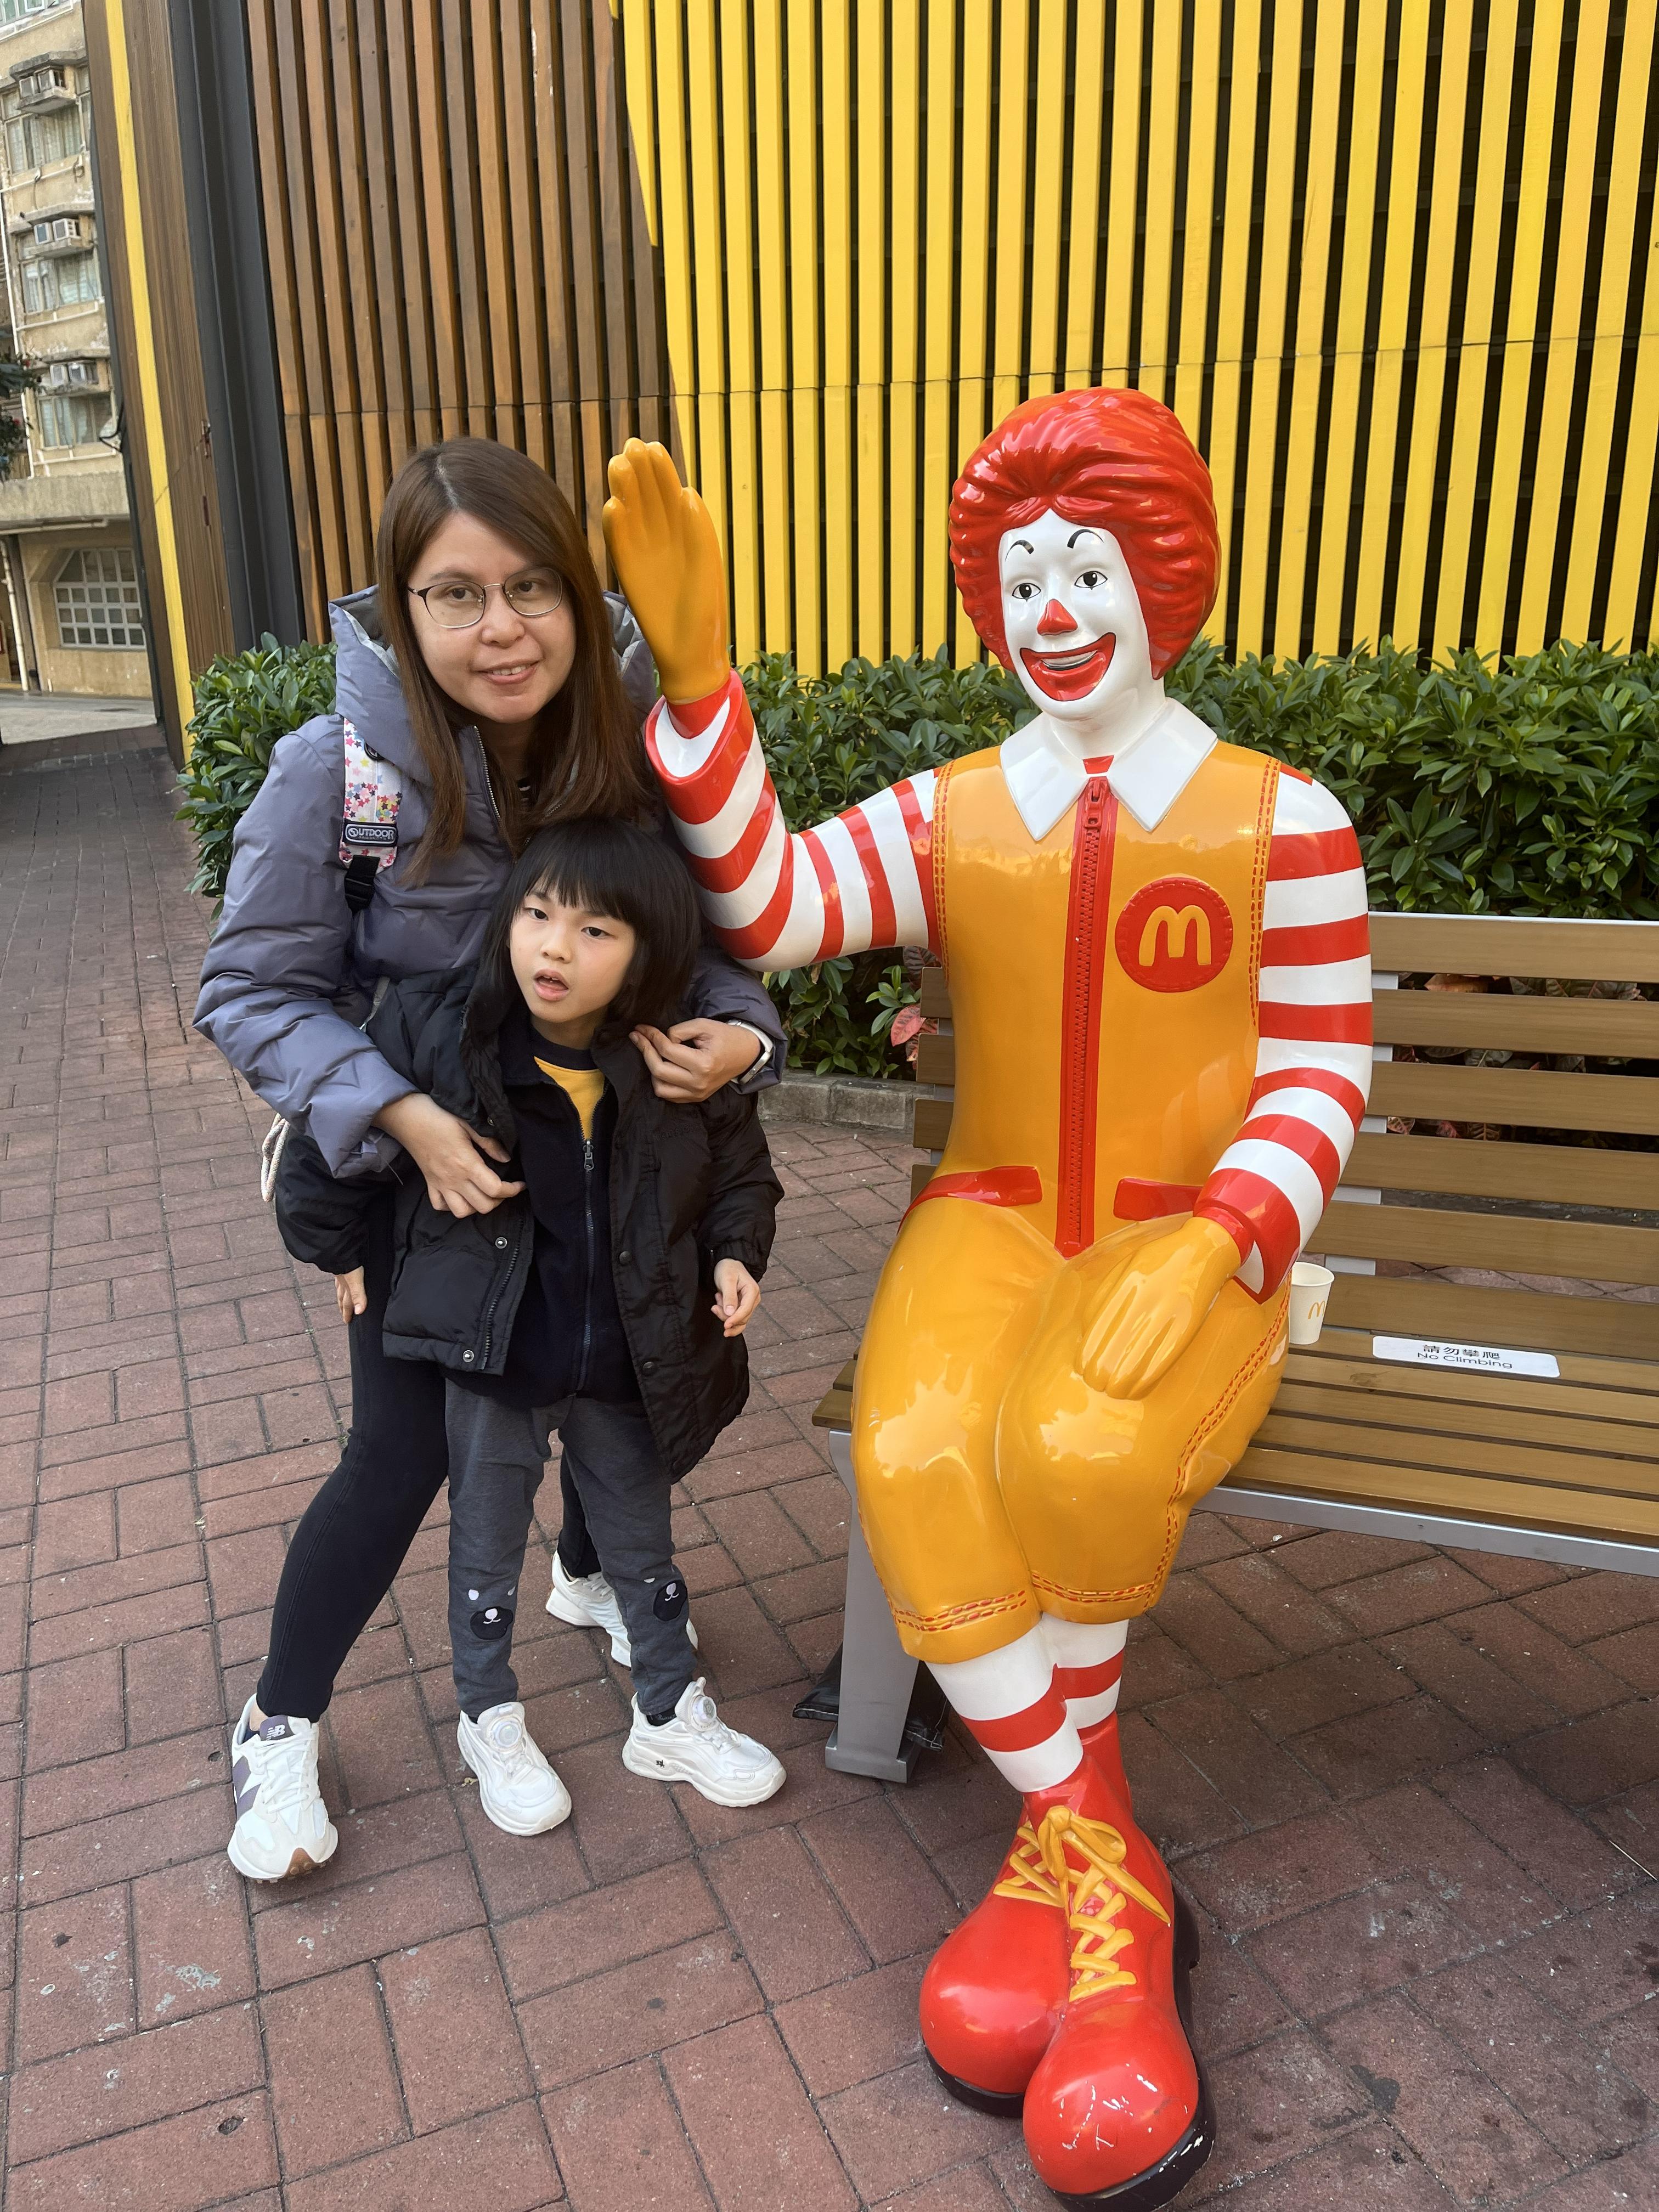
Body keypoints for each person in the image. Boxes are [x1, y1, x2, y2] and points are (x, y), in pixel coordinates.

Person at [602, 397, 1370, 2207]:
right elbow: (777, 901)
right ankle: (1105, 1866)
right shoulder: (961, 811)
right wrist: (698, 688)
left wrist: (1223, 1234)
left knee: (1079, 1452)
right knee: (917, 1448)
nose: (1053, 610)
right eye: (1021, 579)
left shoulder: (1286, 820)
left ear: (1164, 579)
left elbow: (1322, 1066)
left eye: (1086, 569)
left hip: (1193, 1234)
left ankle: (1059, 1875)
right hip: (998, 1213)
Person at [194, 439, 786, 1880]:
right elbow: (252, 989)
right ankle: (279, 1721)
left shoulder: (630, 753)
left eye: (532, 587)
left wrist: (741, 1036)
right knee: (405, 1452)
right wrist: (396, 1119)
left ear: (580, 598)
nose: (501, 627)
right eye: (455, 595)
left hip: (602, 1156)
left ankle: (585, 1572)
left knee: (619, 1381)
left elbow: (699, 941)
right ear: (403, 610)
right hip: (432, 1187)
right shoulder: (338, 779)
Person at [268, 817, 786, 1848]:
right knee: (486, 1549)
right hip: (497, 1360)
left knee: (643, 1545)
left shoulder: (671, 1059)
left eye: (596, 932)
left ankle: (668, 1715)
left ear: (647, 952)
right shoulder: (444, 1033)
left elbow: (740, 1171)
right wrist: (340, 1250)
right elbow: (328, 1142)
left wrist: (738, 1254)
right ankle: (489, 1717)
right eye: (539, 916)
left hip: (623, 1358)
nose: (555, 948)